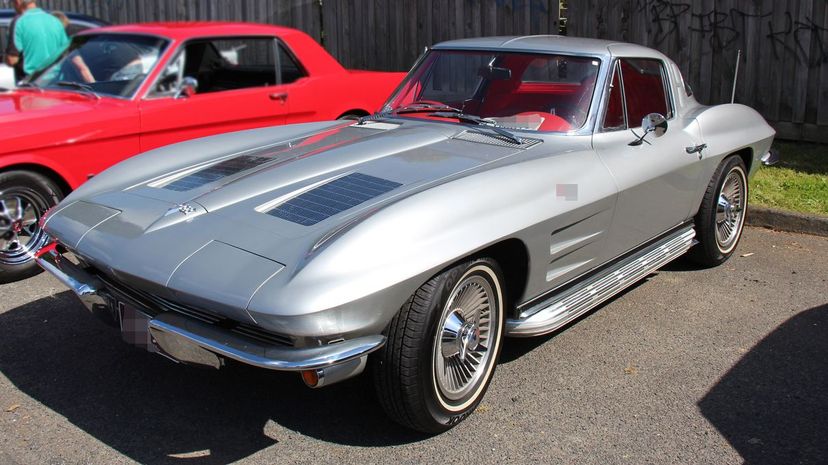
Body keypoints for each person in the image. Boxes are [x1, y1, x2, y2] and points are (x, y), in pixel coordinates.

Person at [7, 0, 68, 77]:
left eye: (13, 3)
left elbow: (12, 60)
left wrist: (5, 60)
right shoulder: (55, 21)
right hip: (56, 80)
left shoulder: (18, 22)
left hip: (32, 80)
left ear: (18, 2)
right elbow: (67, 52)